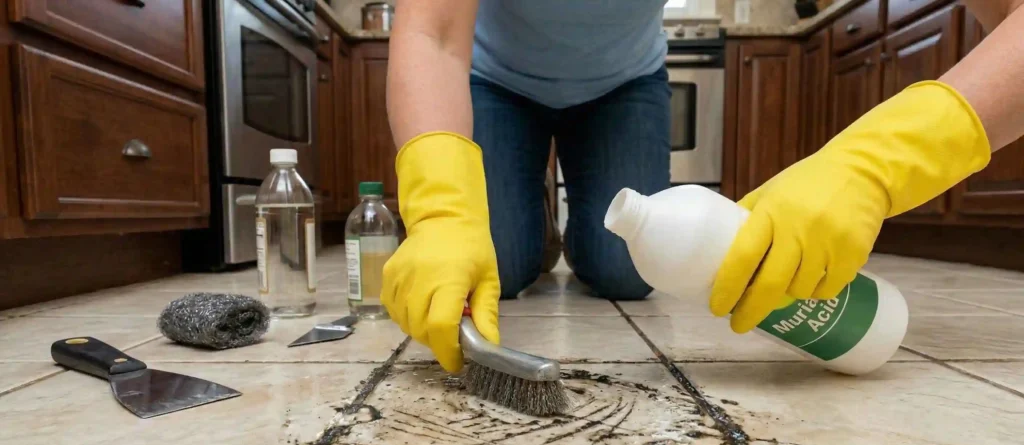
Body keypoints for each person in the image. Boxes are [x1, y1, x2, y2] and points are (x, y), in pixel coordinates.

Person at [382, 0, 1024, 372]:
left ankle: (571, 227)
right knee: (506, 263)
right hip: (497, 81)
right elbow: (432, 35)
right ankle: (531, 224)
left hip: (622, 84)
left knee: (623, 272)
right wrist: (442, 211)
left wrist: (876, 166)